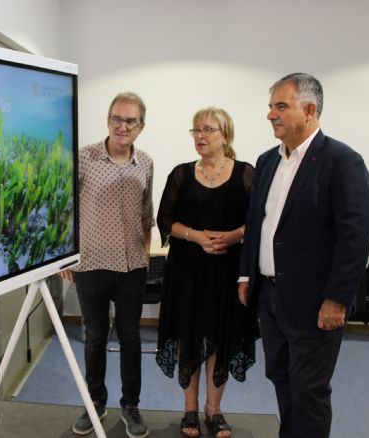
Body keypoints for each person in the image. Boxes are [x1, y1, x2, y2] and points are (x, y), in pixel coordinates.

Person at [238, 73, 369, 438]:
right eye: (270, 106)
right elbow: (257, 222)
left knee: (309, 390)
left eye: (281, 106)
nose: (270, 115)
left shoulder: (342, 161)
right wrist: (246, 275)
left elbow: (355, 237)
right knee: (281, 377)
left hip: (316, 304)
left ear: (310, 109)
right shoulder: (267, 161)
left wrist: (337, 300)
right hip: (270, 297)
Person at [155, 107, 258, 438]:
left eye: (207, 130)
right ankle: (189, 409)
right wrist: (197, 236)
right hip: (187, 271)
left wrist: (233, 236)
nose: (199, 136)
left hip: (228, 271)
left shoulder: (246, 173)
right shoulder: (181, 175)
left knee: (220, 340)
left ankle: (214, 411)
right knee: (189, 337)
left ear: (225, 135)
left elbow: (259, 220)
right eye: (195, 130)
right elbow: (165, 220)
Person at [59, 92, 154, 438]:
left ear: (141, 127)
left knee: (131, 338)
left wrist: (143, 255)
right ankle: (95, 402)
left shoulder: (145, 163)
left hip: (132, 268)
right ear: (108, 120)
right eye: (116, 118)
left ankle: (131, 405)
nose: (122, 126)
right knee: (95, 338)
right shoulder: (84, 159)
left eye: (130, 121)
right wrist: (64, 256)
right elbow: (63, 210)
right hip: (92, 266)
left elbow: (147, 214)